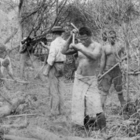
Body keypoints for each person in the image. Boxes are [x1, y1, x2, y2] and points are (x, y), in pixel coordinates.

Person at [61, 27, 106, 130]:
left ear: (90, 36)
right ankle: (84, 125)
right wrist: (70, 37)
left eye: (85, 38)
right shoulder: (79, 45)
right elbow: (63, 51)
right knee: (79, 103)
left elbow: (94, 56)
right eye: (81, 39)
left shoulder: (97, 46)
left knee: (96, 103)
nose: (83, 41)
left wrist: (79, 48)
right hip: (79, 78)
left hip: (90, 79)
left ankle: (103, 129)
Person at [99, 30, 126, 110]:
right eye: (111, 37)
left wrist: (122, 58)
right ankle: (101, 108)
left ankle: (123, 106)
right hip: (107, 71)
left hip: (117, 70)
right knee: (104, 90)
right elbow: (102, 61)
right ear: (108, 38)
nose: (113, 39)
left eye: (114, 37)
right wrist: (101, 72)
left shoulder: (120, 46)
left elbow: (127, 54)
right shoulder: (104, 47)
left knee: (119, 89)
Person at [43, 26, 66, 117]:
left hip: (54, 66)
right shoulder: (64, 42)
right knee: (61, 89)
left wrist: (47, 69)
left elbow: (52, 56)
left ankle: (53, 111)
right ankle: (62, 110)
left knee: (53, 90)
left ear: (54, 34)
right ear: (61, 33)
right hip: (62, 65)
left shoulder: (53, 43)